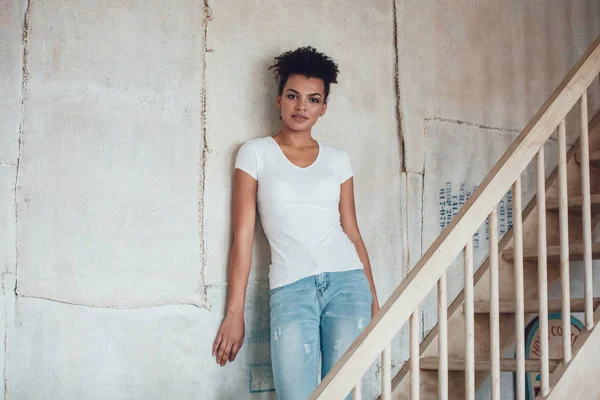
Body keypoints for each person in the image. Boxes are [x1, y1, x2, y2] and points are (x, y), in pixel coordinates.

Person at [212, 46, 380, 400]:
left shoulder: (338, 159)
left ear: (323, 108)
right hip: (291, 288)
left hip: (348, 284)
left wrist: (375, 299)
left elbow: (351, 229)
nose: (301, 106)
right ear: (279, 100)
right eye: (293, 96)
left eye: (313, 99)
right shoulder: (255, 154)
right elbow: (242, 235)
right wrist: (234, 313)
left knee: (343, 394)